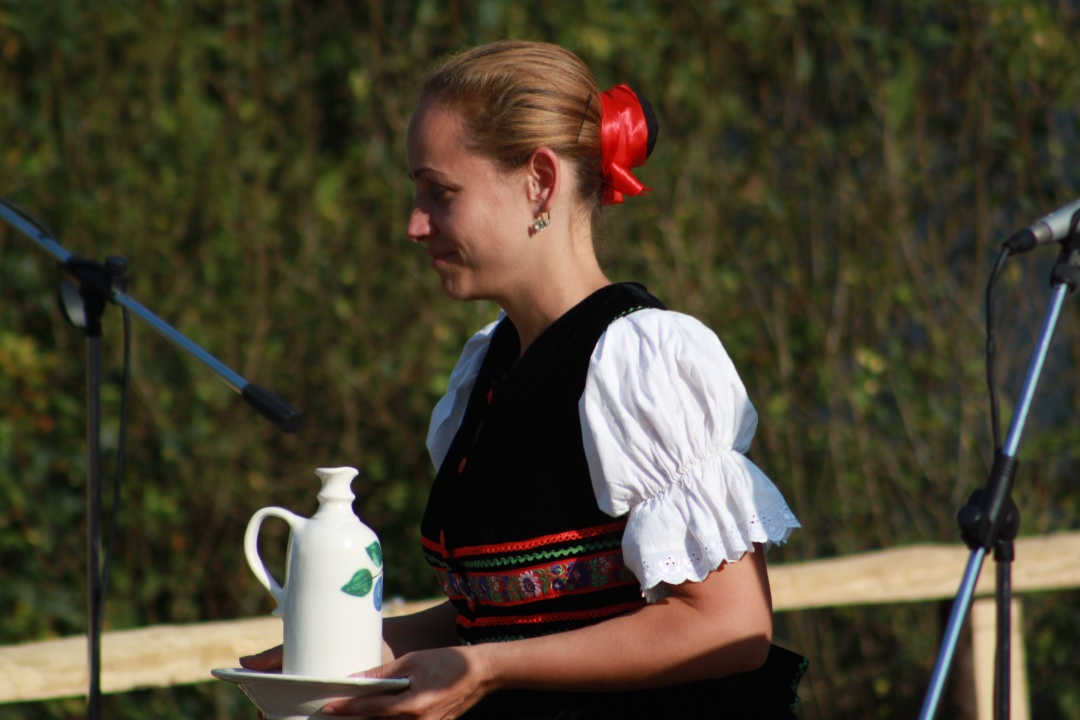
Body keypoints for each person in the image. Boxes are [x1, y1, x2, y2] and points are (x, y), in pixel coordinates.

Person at [241, 39, 805, 719]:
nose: (415, 224)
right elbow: (510, 613)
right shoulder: (489, 366)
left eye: (440, 192)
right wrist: (350, 654)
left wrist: (485, 669)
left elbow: (729, 624)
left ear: (540, 180)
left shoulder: (641, 361)